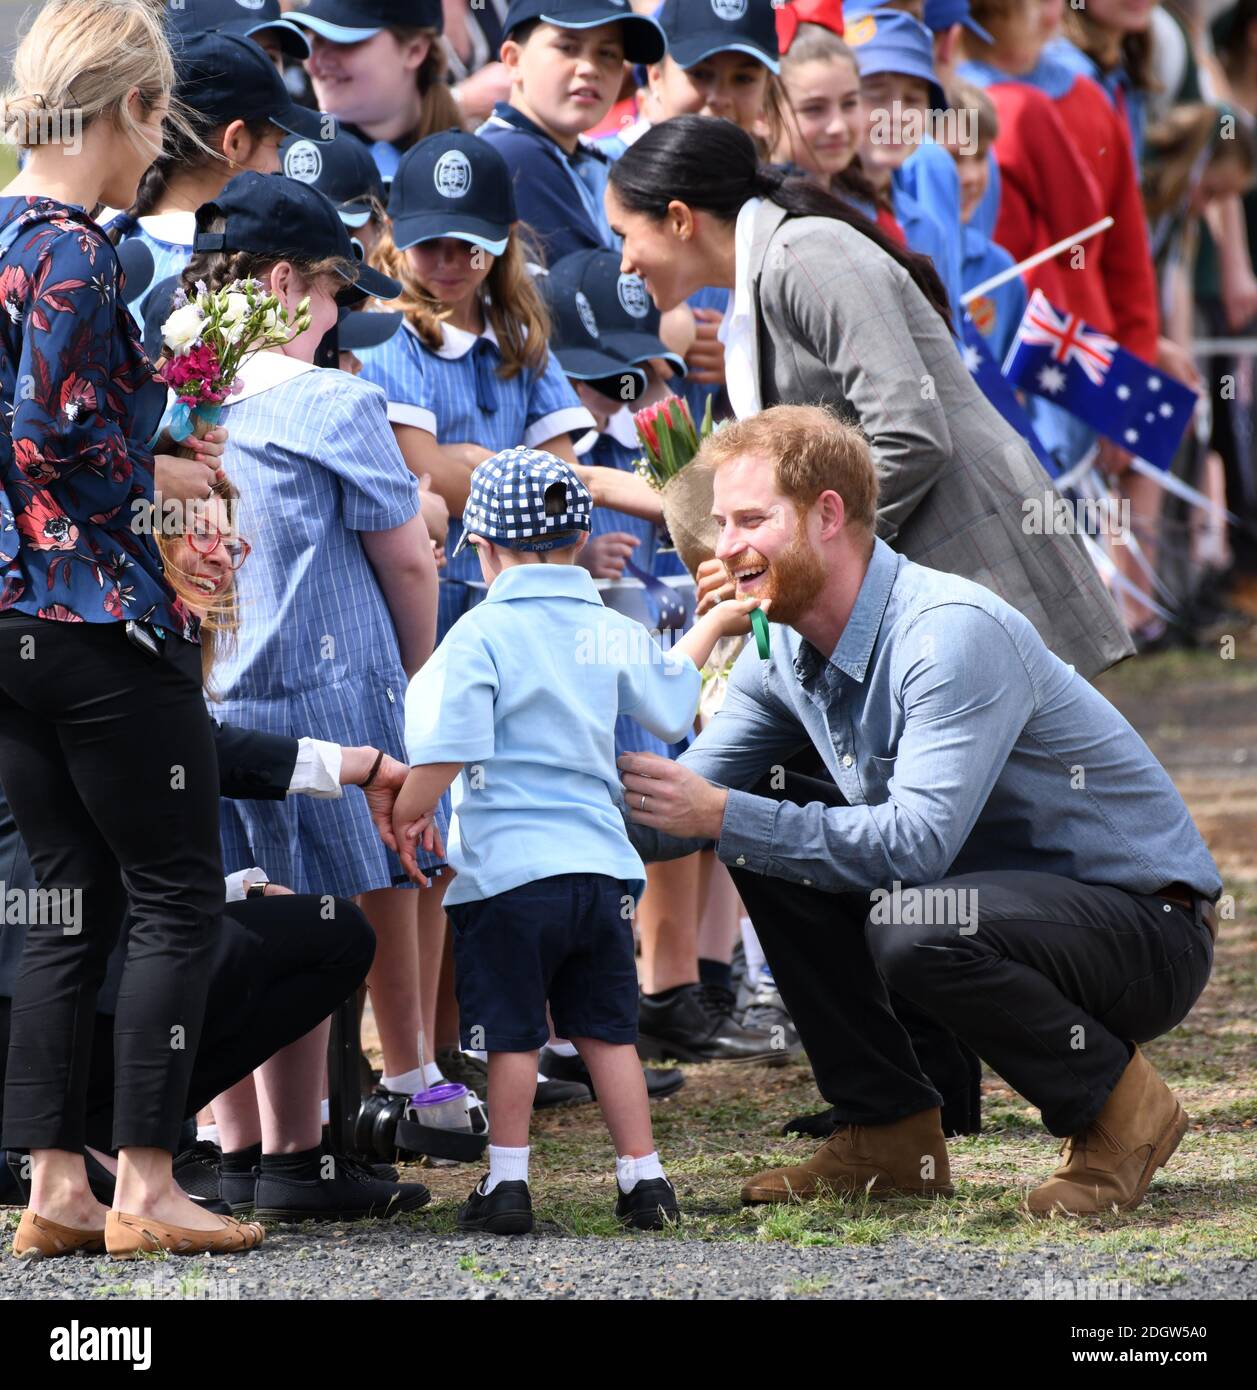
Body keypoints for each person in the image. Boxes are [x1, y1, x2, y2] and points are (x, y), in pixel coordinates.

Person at [621, 404, 1220, 1216]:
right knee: (764, 816)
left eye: (752, 520)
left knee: (905, 913)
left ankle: (1121, 1112)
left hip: (1144, 930)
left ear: (827, 514)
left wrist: (720, 814)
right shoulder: (784, 653)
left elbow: (912, 850)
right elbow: (670, 814)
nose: (724, 546)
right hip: (990, 910)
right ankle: (888, 1132)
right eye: (721, 522)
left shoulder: (948, 633)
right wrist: (497, 801)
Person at [0, 0, 263, 1261]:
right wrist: (165, 483)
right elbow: (54, 440)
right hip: (94, 609)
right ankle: (147, 1180)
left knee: (60, 897)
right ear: (132, 109)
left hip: (4, 620)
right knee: (176, 892)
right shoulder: (75, 252)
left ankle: (55, 1182)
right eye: (160, 118)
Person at [0, 485, 428, 1225]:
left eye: (231, 539)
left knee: (258, 916)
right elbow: (187, 768)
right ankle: (134, 1155)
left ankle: (73, 1159)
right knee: (330, 931)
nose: (227, 555)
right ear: (140, 544)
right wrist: (351, 767)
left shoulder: (41, 637)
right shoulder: (111, 644)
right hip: (47, 992)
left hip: (39, 998)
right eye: (200, 533)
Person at [606, 115, 1135, 680]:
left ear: (680, 220)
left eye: (624, 236)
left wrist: (787, 557)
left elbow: (910, 435)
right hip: (936, 600)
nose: (625, 263)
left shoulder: (806, 257)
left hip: (975, 571)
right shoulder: (775, 268)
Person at [391, 447, 763, 1233]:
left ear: (481, 548)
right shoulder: (603, 626)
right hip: (601, 871)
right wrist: (712, 624)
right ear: (577, 538)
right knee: (609, 1033)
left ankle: (507, 1186)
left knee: (516, 1038)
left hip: (509, 880)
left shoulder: (477, 635)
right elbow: (668, 701)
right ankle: (644, 1179)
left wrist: (409, 810)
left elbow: (445, 740)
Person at [176, 172, 448, 1117]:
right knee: (390, 878)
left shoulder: (179, 404)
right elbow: (407, 562)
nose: (336, 319)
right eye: (336, 293)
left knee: (248, 905)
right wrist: (420, 676)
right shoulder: (334, 404)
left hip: (212, 706)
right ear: (288, 282)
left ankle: (230, 1132)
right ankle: (405, 1085)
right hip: (335, 694)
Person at [104, 29, 333, 314]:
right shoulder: (240, 274)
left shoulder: (103, 236)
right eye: (276, 146)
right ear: (235, 143)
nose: (278, 167)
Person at [476, 0, 666, 264]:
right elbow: (606, 292)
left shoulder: (582, 155)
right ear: (513, 59)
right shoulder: (512, 153)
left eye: (608, 53)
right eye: (567, 47)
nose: (588, 68)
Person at [288, 0, 462, 183]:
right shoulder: (291, 160)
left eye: (343, 42)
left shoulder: (470, 163)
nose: (317, 63)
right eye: (315, 40)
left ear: (414, 51)